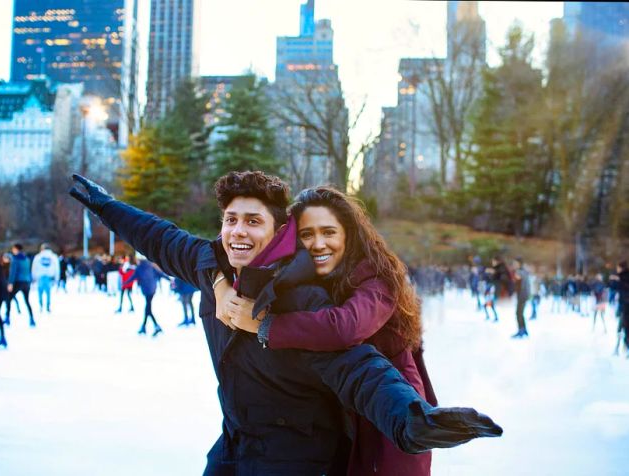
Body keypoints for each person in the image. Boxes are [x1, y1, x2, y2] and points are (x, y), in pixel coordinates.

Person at [70, 171, 502, 474]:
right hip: (235, 445)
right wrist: (107, 207)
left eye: (253, 221)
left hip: (299, 458)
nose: (238, 231)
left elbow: (358, 366)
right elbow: (162, 238)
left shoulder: (306, 298)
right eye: (231, 220)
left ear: (280, 233)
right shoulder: (213, 269)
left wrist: (412, 418)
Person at [215, 186, 436, 475]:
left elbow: (346, 327)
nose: (317, 244)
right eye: (306, 234)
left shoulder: (377, 277)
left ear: (349, 234)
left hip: (388, 402)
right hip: (340, 405)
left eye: (329, 232)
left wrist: (265, 325)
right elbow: (212, 248)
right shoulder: (311, 277)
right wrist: (219, 282)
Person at [6, 243, 35, 327]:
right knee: (27, 301)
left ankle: (7, 318)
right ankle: (31, 318)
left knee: (9, 299)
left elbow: (13, 272)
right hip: (26, 282)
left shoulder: (15, 259)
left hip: (17, 282)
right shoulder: (27, 259)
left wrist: (10, 283)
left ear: (16, 249)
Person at [32, 243, 59, 313]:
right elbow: (57, 268)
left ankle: (41, 306)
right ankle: (47, 307)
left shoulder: (38, 257)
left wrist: (34, 277)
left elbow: (34, 268)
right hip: (49, 277)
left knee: (40, 293)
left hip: (40, 277)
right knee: (48, 293)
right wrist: (57, 278)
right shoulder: (53, 257)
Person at [511, 257, 530, 338]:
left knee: (518, 313)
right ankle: (524, 330)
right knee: (520, 313)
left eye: (515, 263)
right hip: (524, 295)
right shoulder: (524, 271)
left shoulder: (519, 272)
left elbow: (517, 281)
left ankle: (521, 330)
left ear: (519, 264)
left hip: (522, 295)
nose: (513, 265)